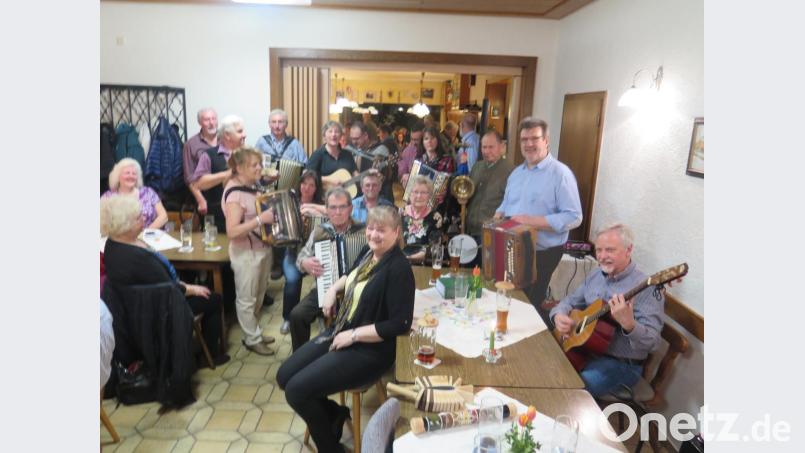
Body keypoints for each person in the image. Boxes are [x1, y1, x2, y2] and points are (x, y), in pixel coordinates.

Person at [277, 205, 415, 453]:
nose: (373, 234)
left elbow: (399, 324)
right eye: (371, 228)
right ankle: (334, 413)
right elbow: (351, 274)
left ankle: (331, 448)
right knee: (284, 376)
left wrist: (352, 336)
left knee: (297, 391)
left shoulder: (399, 269)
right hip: (342, 331)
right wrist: (332, 289)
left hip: (369, 349)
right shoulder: (368, 252)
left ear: (396, 233)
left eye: (381, 230)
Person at [101, 194, 229, 365]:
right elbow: (168, 289)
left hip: (138, 307)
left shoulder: (113, 245)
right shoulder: (137, 258)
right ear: (125, 225)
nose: (145, 217)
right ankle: (211, 355)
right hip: (161, 309)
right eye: (139, 217)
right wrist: (191, 288)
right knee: (213, 298)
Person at [549, 223, 664, 397]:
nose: (602, 257)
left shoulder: (648, 288)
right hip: (586, 350)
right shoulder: (596, 274)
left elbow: (654, 343)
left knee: (573, 390)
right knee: (546, 364)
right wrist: (559, 314)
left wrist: (629, 324)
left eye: (610, 250)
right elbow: (570, 301)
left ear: (628, 250)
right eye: (599, 250)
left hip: (622, 364)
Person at [495, 117, 582, 322]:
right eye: (524, 139)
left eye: (535, 138)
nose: (529, 144)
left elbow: (574, 217)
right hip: (512, 248)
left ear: (546, 141)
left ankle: (530, 349)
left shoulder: (560, 174)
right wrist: (498, 214)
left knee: (528, 307)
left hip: (542, 253)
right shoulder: (516, 173)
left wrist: (532, 221)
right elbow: (507, 204)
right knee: (508, 299)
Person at [288, 188, 366, 352]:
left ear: (350, 208)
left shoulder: (363, 231)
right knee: (297, 315)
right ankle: (300, 356)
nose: (337, 212)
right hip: (324, 287)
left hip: (354, 290)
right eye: (333, 207)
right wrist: (305, 262)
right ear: (327, 209)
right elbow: (300, 258)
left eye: (342, 207)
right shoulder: (320, 231)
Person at [223, 147, 278, 356]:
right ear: (239, 168)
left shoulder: (249, 185)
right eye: (254, 165)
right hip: (246, 253)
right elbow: (232, 231)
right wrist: (259, 220)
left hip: (261, 249)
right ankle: (252, 338)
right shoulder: (235, 194)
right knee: (247, 299)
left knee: (258, 295)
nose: (259, 168)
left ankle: (252, 332)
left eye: (260, 164)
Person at [279, 169, 324, 335]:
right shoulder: (291, 201)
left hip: (316, 250)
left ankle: (322, 314)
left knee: (325, 278)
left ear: (316, 188)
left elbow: (329, 214)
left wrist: (313, 210)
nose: (307, 188)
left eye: (311, 185)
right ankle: (288, 318)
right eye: (304, 183)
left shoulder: (322, 203)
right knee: (292, 281)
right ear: (299, 185)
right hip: (293, 250)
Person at [191, 115, 246, 232]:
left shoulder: (247, 154)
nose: (244, 135)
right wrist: (228, 173)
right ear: (227, 135)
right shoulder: (209, 155)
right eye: (240, 131)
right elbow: (199, 183)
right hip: (218, 219)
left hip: (244, 217)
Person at [466, 130, 514, 262]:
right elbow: (468, 193)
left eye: (491, 147)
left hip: (491, 234)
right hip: (471, 230)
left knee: (487, 275)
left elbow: (511, 204)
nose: (487, 151)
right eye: (484, 147)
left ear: (502, 147)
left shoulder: (511, 171)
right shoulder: (477, 166)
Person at [102, 158, 168, 230]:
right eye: (127, 173)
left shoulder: (148, 192)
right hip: (119, 238)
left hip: (149, 237)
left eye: (134, 173)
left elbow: (163, 216)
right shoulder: (108, 197)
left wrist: (145, 232)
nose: (131, 176)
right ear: (118, 176)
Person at [183, 108, 218, 215]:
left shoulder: (226, 139)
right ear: (200, 123)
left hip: (227, 193)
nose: (211, 123)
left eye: (214, 119)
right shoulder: (191, 144)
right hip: (206, 195)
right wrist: (201, 200)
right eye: (207, 120)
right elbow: (189, 177)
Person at [401, 176, 444, 262]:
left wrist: (410, 258)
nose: (419, 196)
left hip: (423, 264)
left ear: (429, 196)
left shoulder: (435, 218)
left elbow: (435, 247)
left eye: (424, 192)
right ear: (409, 194)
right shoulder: (400, 214)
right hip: (399, 262)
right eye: (415, 192)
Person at [306, 121, 358, 193]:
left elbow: (356, 174)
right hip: (323, 197)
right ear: (324, 136)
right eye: (330, 131)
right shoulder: (318, 154)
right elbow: (307, 176)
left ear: (340, 136)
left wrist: (367, 176)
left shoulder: (347, 154)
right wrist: (329, 180)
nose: (333, 135)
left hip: (345, 196)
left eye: (337, 132)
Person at [397, 121, 425, 189]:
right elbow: (401, 173)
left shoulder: (430, 151)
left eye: (416, 140)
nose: (413, 142)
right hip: (412, 191)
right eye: (412, 139)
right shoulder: (408, 151)